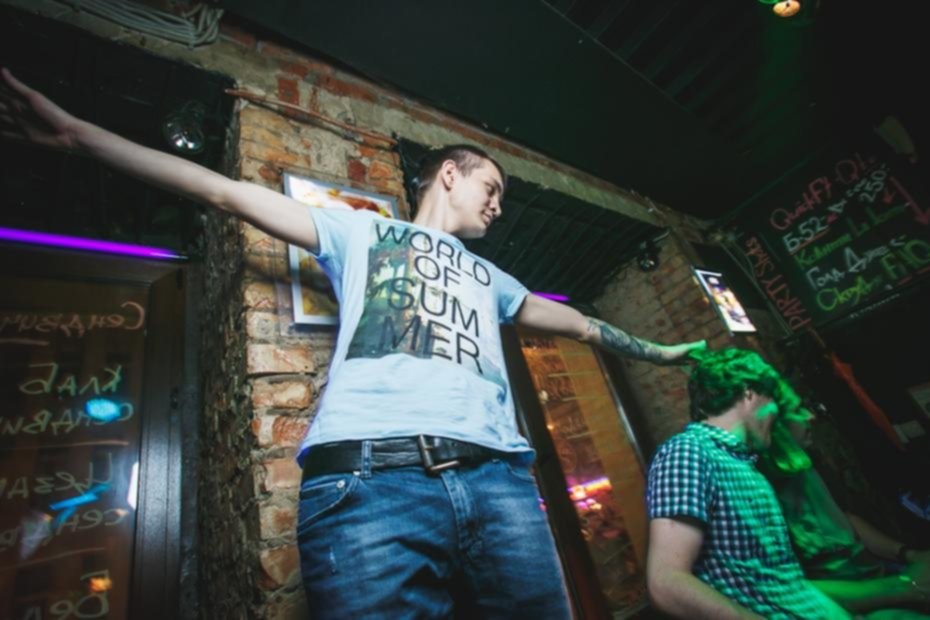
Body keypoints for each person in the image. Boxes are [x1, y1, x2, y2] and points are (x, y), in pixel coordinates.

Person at [1, 68, 705, 618]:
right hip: (371, 482)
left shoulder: (493, 278)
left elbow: (581, 325)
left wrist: (664, 354)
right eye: (490, 186)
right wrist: (81, 136)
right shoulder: (361, 230)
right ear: (449, 174)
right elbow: (224, 193)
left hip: (500, 484)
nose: (497, 204)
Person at [645, 348, 852, 619]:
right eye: (773, 398)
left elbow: (782, 584)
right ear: (749, 393)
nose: (776, 412)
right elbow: (666, 582)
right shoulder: (689, 451)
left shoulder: (746, 466)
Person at [759, 401, 930, 617]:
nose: (810, 417)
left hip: (881, 579)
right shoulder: (756, 495)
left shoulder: (805, 465)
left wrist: (909, 554)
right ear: (774, 425)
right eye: (797, 410)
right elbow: (791, 590)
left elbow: (847, 522)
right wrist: (907, 587)